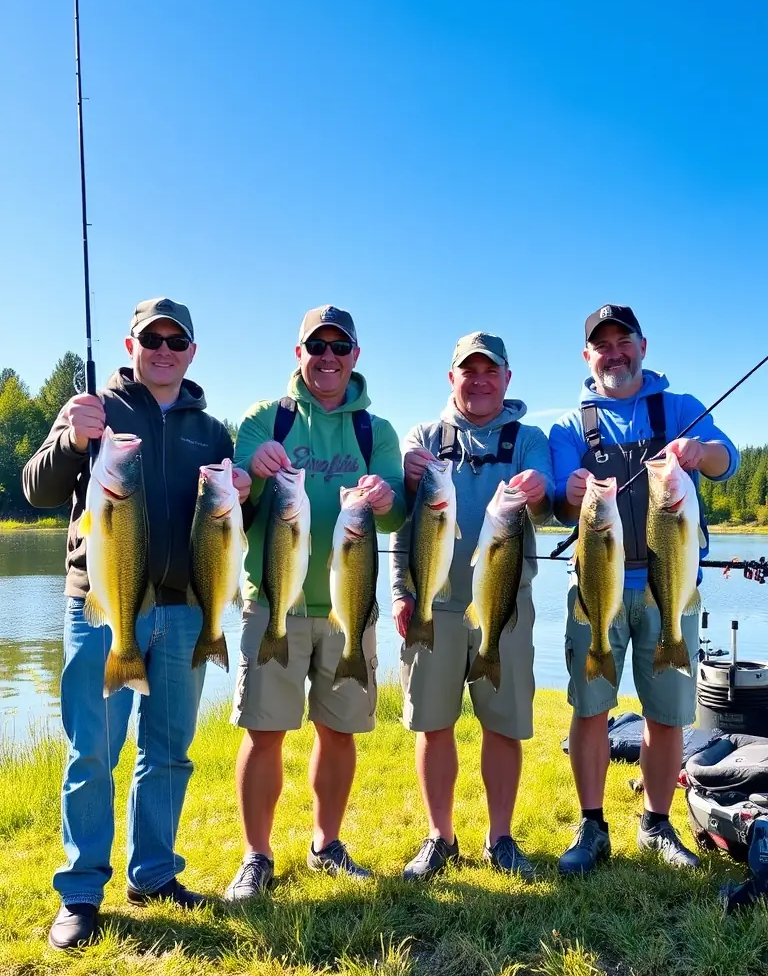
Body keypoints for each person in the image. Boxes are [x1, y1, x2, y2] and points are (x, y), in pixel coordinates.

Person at [23, 298, 252, 949]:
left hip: (185, 612)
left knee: (169, 752)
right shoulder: (93, 410)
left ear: (192, 352)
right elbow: (38, 489)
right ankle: (80, 892)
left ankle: (153, 874)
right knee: (93, 751)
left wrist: (243, 489)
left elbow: (231, 530)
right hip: (102, 610)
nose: (164, 350)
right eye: (153, 338)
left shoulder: (212, 431)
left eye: (177, 341)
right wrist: (72, 441)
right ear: (132, 346)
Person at [549, 303, 739, 874]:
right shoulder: (569, 426)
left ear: (643, 346)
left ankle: (656, 824)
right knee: (591, 709)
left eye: (623, 341)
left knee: (667, 714)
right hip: (596, 588)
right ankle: (592, 826)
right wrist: (570, 491)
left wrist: (699, 452)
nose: (614, 354)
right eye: (602, 345)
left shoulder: (678, 408)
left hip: (670, 588)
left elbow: (726, 460)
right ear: (587, 356)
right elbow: (559, 505)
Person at [225, 305, 406, 899]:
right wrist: (252, 470)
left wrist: (386, 497)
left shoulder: (375, 431)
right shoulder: (265, 419)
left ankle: (327, 845)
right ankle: (256, 856)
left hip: (349, 608)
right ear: (298, 353)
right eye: (317, 346)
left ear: (355, 356)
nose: (328, 357)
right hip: (272, 604)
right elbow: (235, 500)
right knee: (264, 731)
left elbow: (399, 513)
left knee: (339, 731)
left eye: (339, 347)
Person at [390, 332, 554, 880]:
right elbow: (403, 524)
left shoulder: (528, 439)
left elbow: (549, 506)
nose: (479, 380)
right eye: (469, 370)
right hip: (433, 605)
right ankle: (440, 837)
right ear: (451, 377)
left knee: (502, 725)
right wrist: (401, 591)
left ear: (507, 378)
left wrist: (539, 489)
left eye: (490, 371)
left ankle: (500, 837)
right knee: (433, 724)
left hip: (504, 604)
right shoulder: (422, 438)